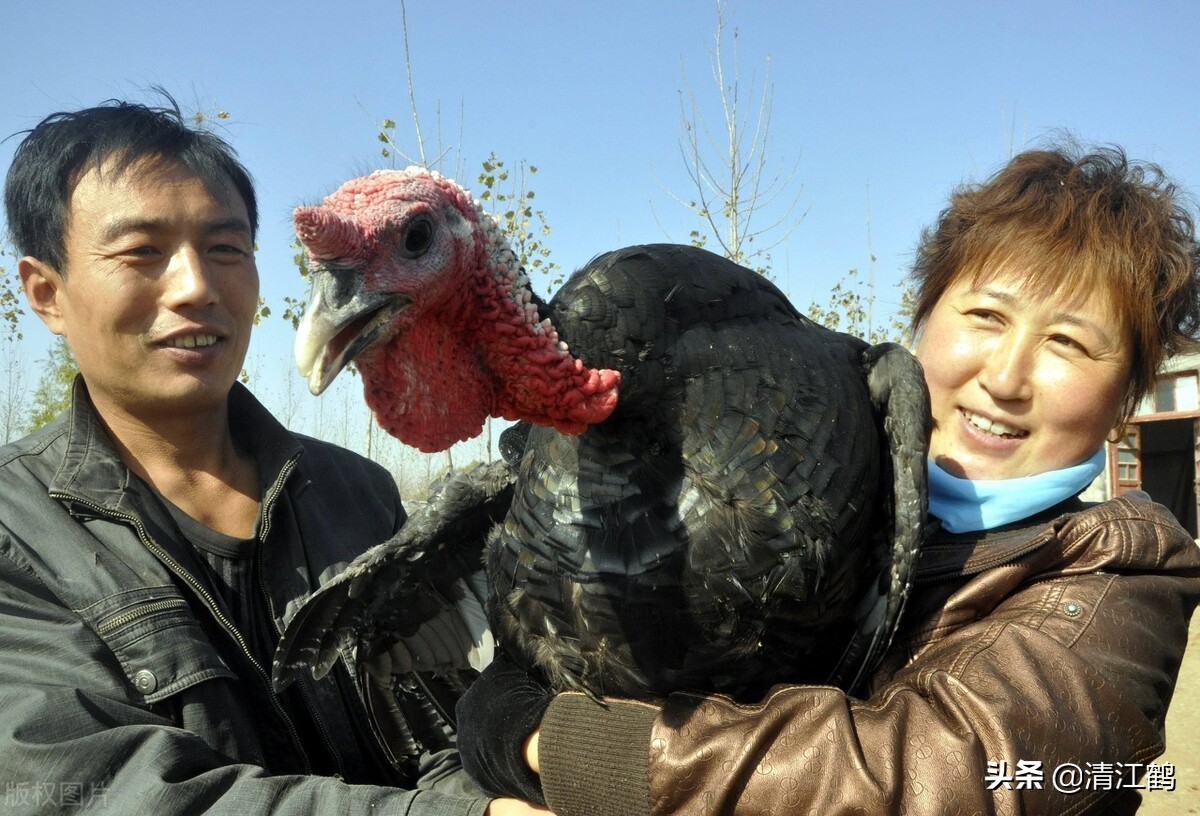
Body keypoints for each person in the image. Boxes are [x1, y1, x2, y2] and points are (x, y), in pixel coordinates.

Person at [457, 144, 1200, 814]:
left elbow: (943, 780)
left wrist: (548, 741)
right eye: (985, 316)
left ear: (1123, 404)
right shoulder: (824, 489)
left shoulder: (1120, 575)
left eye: (1067, 342)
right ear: (922, 320)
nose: (1004, 378)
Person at [0, 96, 544, 815]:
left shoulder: (357, 491)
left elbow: (443, 729)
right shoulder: (16, 532)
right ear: (47, 293)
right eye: (141, 252)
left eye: (226, 249)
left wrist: (561, 758)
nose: (197, 287)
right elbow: (102, 789)